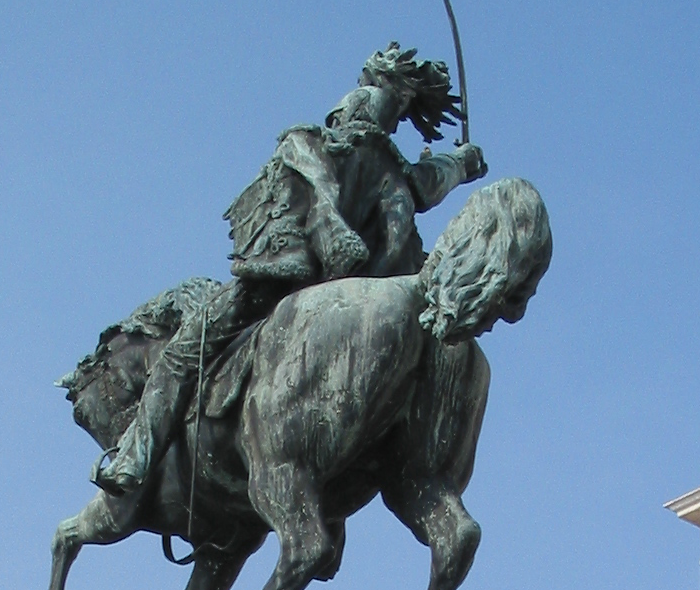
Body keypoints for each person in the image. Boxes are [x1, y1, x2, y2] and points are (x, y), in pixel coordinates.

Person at [92, 43, 486, 504]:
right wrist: (461, 162)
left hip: (283, 282)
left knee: (182, 353)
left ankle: (132, 460)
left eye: (361, 86)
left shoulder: (313, 142)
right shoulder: (400, 176)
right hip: (361, 287)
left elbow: (315, 183)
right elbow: (429, 183)